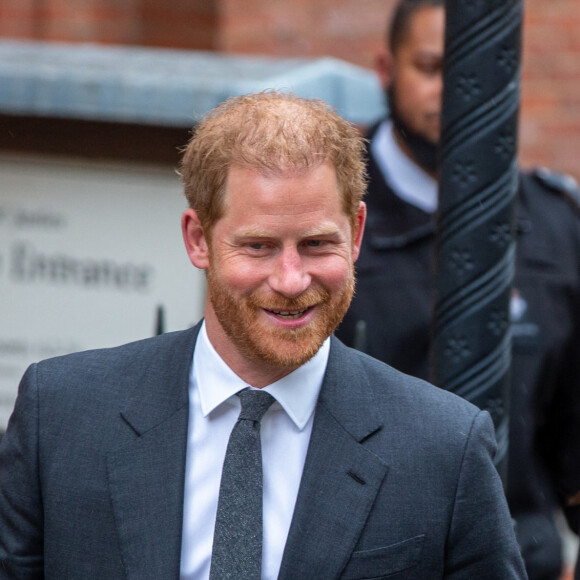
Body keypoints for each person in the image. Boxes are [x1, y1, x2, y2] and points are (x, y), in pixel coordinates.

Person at [0, 90, 526, 579]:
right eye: (258, 247)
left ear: (358, 232)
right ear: (198, 239)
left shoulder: (444, 449)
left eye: (319, 244)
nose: (292, 280)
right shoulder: (63, 417)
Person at [334, 1, 580, 579]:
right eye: (433, 66)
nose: (457, 90)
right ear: (386, 70)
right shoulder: (327, 219)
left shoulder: (555, 227)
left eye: (480, 67)